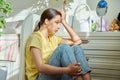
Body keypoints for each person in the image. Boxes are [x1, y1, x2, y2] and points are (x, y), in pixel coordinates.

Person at [25, 8, 91, 80]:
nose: (59, 27)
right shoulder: (35, 38)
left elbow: (78, 41)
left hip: (54, 76)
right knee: (63, 48)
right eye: (56, 22)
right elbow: (40, 67)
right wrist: (67, 70)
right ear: (46, 21)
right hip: (39, 78)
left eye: (60, 23)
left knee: (76, 48)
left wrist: (64, 21)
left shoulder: (53, 38)